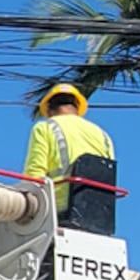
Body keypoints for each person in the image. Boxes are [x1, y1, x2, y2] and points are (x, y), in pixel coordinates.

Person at [23, 83, 119, 233]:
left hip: (60, 211)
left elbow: (34, 175)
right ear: (77, 107)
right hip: (100, 216)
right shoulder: (103, 136)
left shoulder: (45, 128)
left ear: (48, 109)